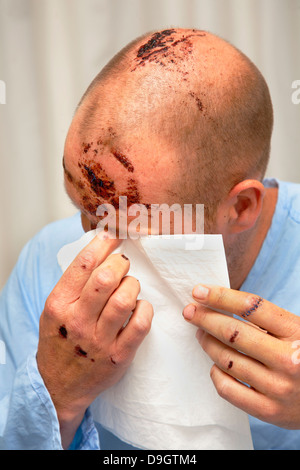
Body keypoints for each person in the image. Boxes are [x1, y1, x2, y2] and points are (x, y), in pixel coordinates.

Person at [1, 27, 300, 450]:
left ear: (241, 208)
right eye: (84, 211)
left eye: (127, 228)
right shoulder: (44, 264)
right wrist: (57, 394)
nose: (92, 244)